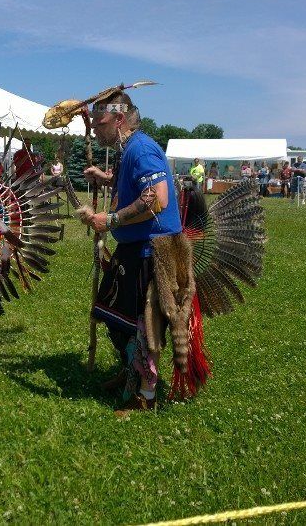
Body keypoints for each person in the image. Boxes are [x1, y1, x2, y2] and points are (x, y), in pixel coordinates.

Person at [80, 89, 185, 414]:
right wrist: (106, 179)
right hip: (134, 248)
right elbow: (136, 185)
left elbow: (158, 198)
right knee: (115, 317)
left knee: (144, 325)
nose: (95, 130)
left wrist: (110, 220)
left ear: (119, 119)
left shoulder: (141, 148)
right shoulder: (128, 151)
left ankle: (145, 395)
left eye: (99, 123)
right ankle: (130, 371)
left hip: (151, 252)